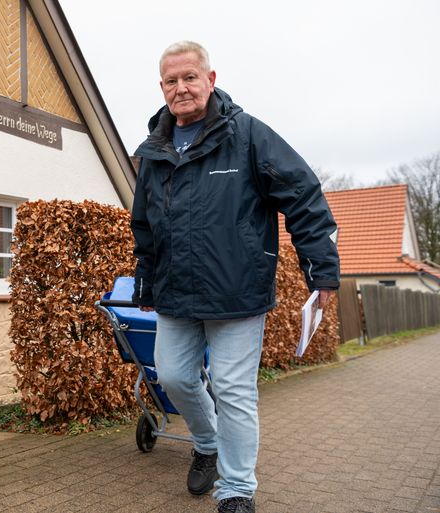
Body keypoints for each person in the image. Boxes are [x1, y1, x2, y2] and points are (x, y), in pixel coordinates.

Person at [130, 41, 340, 513]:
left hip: (238, 292)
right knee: (175, 377)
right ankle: (207, 441)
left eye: (189, 77)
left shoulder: (246, 135)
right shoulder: (155, 149)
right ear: (161, 87)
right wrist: (146, 279)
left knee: (233, 389)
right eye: (171, 81)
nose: (181, 88)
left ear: (211, 79)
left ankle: (237, 488)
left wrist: (321, 270)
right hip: (175, 293)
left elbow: (303, 195)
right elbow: (145, 223)